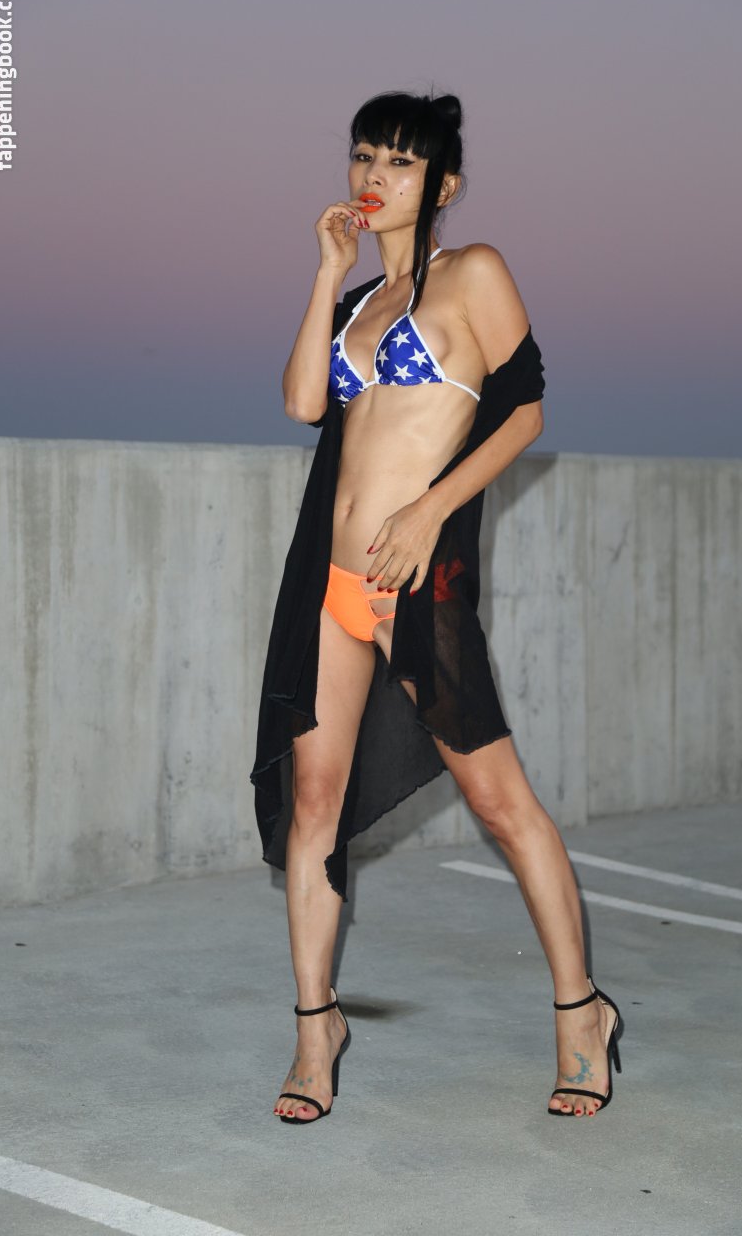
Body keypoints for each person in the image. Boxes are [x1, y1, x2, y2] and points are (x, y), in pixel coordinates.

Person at [250, 90, 622, 1125]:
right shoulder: (360, 300)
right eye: (364, 155)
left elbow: (526, 408)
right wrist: (325, 272)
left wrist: (429, 510)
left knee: (500, 805)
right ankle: (315, 1031)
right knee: (313, 811)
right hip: (328, 586)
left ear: (444, 183)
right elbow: (303, 403)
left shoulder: (474, 273)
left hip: (416, 584)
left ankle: (581, 1014)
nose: (375, 176)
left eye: (400, 162)